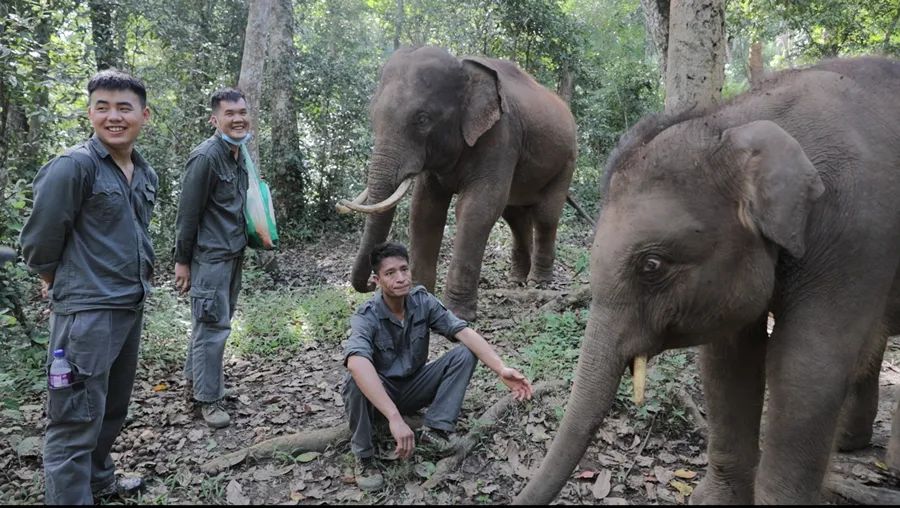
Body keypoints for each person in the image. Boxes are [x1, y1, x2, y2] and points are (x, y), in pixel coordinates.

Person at [20, 69, 155, 504]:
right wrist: (55, 280)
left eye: (124, 107)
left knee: (111, 410)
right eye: (103, 107)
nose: (113, 116)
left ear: (143, 115)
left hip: (128, 306)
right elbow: (39, 240)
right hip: (86, 315)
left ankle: (99, 479)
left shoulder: (143, 170)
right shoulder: (73, 166)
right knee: (74, 419)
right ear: (90, 112)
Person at [342, 241, 534, 491]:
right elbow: (356, 362)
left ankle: (437, 430)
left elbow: (463, 331)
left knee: (465, 353)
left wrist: (501, 368)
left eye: (404, 269)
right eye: (390, 273)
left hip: (414, 387)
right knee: (354, 380)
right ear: (377, 280)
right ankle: (365, 457)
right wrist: (394, 418)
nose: (400, 278)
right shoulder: (365, 315)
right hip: (379, 397)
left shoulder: (423, 301)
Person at [174, 88, 251, 428]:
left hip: (232, 254)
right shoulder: (206, 157)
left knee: (209, 325)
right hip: (210, 259)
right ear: (215, 119)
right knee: (213, 328)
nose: (238, 118)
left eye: (242, 112)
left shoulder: (239, 153)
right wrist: (182, 261)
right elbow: (187, 215)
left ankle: (196, 384)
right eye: (230, 113)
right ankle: (209, 399)